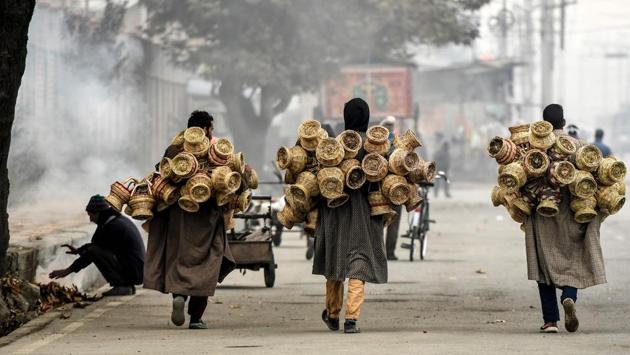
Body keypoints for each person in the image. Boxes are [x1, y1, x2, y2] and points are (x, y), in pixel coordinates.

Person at [143, 111, 236, 330]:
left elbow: (160, 172)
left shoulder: (174, 150)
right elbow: (235, 175)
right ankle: (196, 317)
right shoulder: (216, 151)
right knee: (208, 262)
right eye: (211, 128)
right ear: (205, 129)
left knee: (179, 258)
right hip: (208, 216)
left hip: (179, 215)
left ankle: (179, 297)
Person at [524, 104, 606, 333]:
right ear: (563, 122)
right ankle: (568, 297)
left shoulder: (534, 150)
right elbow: (597, 180)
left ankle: (550, 320)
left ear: (544, 123)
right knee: (573, 260)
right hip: (573, 213)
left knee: (544, 264)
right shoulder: (578, 146)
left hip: (543, 215)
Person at [313, 98, 388, 334]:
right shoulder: (378, 147)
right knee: (359, 263)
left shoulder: (333, 145)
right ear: (367, 118)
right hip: (364, 213)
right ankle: (351, 319)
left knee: (335, 260)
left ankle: (333, 314)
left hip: (335, 211)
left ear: (346, 117)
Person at [49, 195, 145, 296]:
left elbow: (93, 252)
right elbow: (98, 243)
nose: (90, 219)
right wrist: (78, 250)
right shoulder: (113, 220)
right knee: (95, 250)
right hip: (135, 270)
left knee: (94, 252)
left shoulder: (113, 226)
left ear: (99, 213)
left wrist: (68, 270)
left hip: (135, 271)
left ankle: (122, 286)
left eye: (91, 215)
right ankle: (126, 286)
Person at [381, 115, 401, 260]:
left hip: (381, 188)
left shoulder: (376, 142)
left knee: (379, 221)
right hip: (396, 187)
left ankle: (380, 252)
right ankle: (390, 252)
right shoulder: (398, 143)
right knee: (393, 222)